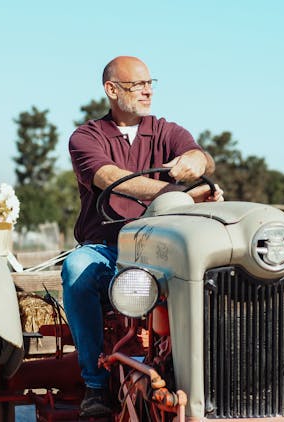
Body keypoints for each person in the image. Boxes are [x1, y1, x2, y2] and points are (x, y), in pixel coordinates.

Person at [62, 55, 223, 417]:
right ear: (112, 89)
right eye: (138, 85)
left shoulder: (165, 130)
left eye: (151, 83)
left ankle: (212, 378)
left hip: (160, 249)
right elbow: (109, 178)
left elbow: (200, 156)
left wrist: (198, 161)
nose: (148, 90)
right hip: (107, 248)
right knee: (76, 270)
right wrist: (176, 194)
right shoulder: (86, 137)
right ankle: (95, 384)